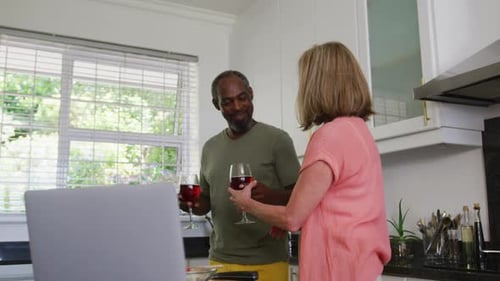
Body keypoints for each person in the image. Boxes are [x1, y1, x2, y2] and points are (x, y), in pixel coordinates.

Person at [228, 42, 392, 281]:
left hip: (338, 269)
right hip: (362, 266)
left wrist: (246, 204)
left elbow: (292, 218)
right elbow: (335, 206)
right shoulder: (359, 131)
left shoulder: (330, 136)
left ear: (317, 85)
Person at [179, 70, 301, 281]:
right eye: (227, 102)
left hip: (268, 261)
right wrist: (189, 204)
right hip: (220, 260)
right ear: (216, 104)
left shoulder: (277, 140)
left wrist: (271, 195)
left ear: (251, 94)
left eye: (241, 98)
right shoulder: (210, 148)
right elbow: (206, 202)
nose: (236, 107)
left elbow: (301, 196)